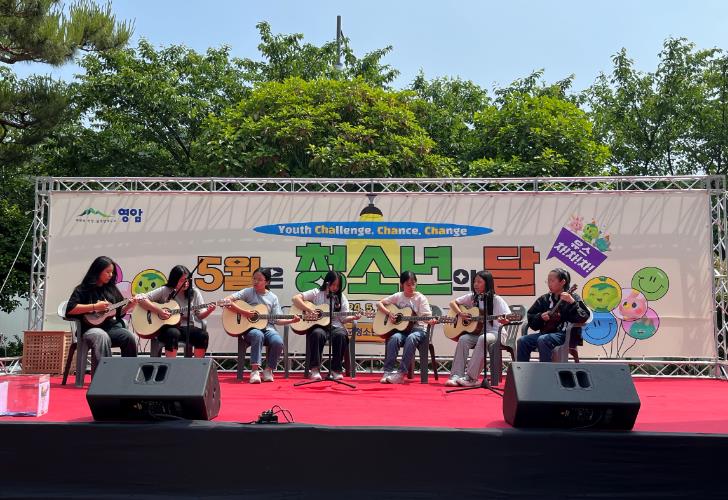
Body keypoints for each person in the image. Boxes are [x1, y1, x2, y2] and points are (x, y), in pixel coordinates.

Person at [65, 256, 138, 375]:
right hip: (88, 329)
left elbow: (118, 312)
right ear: (97, 271)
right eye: (107, 272)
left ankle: (129, 375)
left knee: (129, 337)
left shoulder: (111, 289)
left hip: (110, 328)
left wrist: (130, 305)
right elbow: (70, 309)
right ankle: (103, 377)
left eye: (112, 272)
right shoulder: (83, 289)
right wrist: (94, 307)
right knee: (101, 336)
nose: (110, 275)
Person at [224, 268, 299, 383]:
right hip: (250, 329)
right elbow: (226, 301)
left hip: (268, 328)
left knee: (278, 342)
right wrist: (244, 312)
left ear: (267, 282)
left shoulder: (273, 297)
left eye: (259, 279)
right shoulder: (248, 292)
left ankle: (268, 370)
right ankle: (254, 371)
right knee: (257, 335)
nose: (255, 281)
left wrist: (291, 320)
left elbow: (277, 320)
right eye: (254, 278)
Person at [292, 270, 361, 381]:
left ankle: (336, 370)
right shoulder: (316, 293)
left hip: (335, 326)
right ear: (327, 282)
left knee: (341, 335)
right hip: (318, 326)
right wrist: (309, 310)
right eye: (333, 284)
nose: (335, 288)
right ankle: (314, 369)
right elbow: (295, 298)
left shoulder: (341, 298)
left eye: (338, 286)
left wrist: (353, 317)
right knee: (317, 334)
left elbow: (343, 319)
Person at [447, 270, 511, 387]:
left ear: (487, 283)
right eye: (474, 282)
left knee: (483, 338)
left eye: (479, 282)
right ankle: (456, 375)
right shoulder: (473, 297)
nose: (475, 284)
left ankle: (471, 378)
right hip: (480, 333)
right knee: (463, 339)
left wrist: (504, 320)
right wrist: (460, 313)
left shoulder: (497, 300)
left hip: (497, 333)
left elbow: (508, 317)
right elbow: (453, 303)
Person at [137, 265, 215, 358]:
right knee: (173, 333)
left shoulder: (194, 292)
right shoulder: (165, 290)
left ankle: (197, 365)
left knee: (203, 335)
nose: (186, 283)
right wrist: (159, 311)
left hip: (187, 327)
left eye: (188, 280)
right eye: (182, 280)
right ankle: (171, 365)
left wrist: (209, 310)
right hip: (166, 328)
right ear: (174, 280)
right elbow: (140, 298)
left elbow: (200, 315)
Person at [376, 271, 438, 384]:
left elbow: (427, 317)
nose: (411, 287)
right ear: (402, 285)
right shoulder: (398, 296)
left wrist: (431, 321)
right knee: (394, 338)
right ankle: (388, 372)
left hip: (419, 330)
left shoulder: (421, 298)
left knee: (411, 338)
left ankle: (400, 374)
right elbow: (379, 303)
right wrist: (389, 313)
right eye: (408, 285)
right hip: (403, 331)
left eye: (413, 284)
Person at [517, 268, 590, 362]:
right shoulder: (544, 299)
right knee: (523, 341)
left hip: (566, 335)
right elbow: (531, 317)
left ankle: (546, 370)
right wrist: (540, 317)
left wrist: (572, 303)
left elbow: (583, 317)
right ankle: (523, 370)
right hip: (546, 334)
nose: (549, 284)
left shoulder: (573, 298)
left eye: (552, 281)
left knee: (543, 340)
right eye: (548, 281)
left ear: (563, 282)